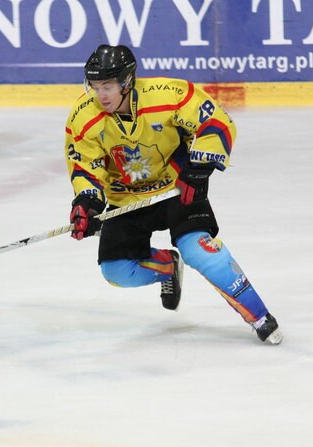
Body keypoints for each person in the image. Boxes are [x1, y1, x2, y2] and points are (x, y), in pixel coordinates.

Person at [65, 45, 282, 344]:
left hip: (176, 189)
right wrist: (87, 204)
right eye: (95, 86)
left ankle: (259, 315)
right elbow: (85, 165)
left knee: (200, 250)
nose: (101, 95)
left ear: (127, 81)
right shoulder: (82, 116)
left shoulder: (168, 94)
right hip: (125, 200)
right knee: (116, 271)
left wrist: (199, 168)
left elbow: (216, 122)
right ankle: (167, 267)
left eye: (108, 86)